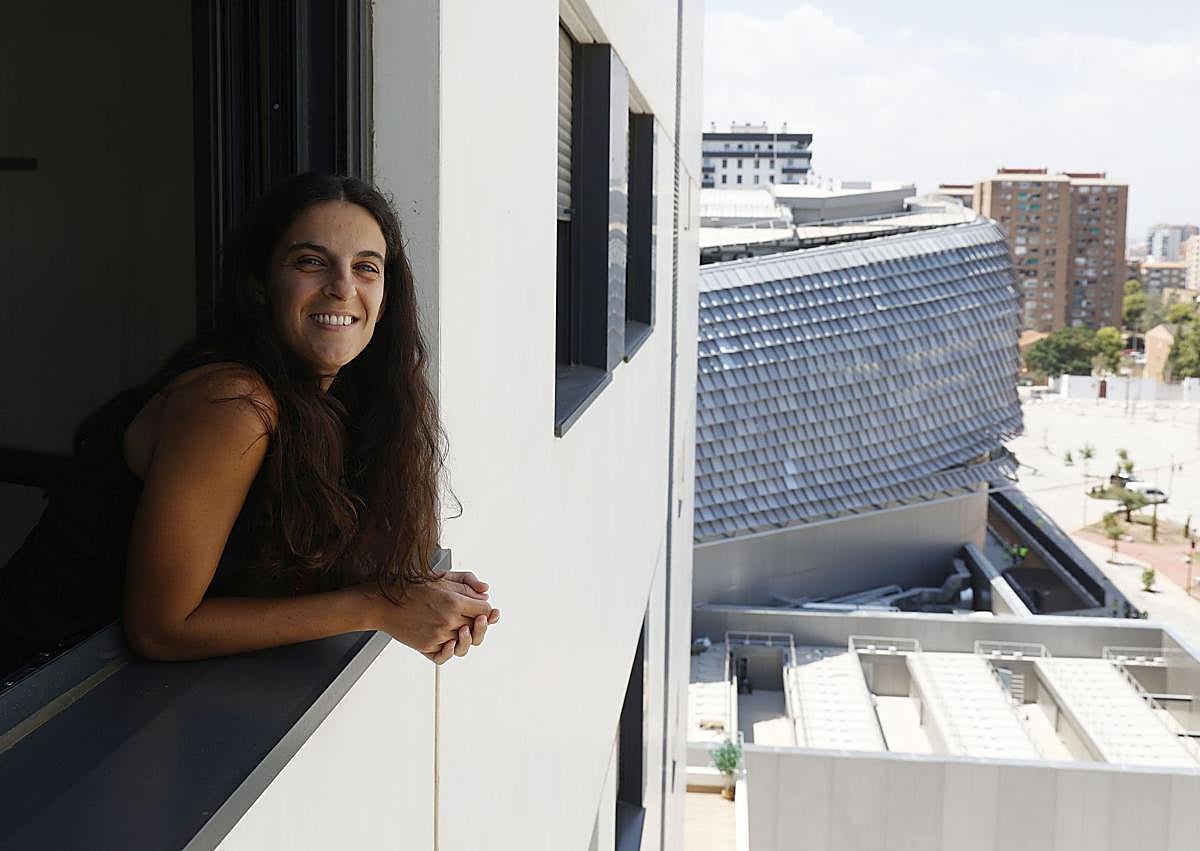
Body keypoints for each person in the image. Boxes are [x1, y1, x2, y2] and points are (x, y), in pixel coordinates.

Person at [0, 173, 498, 677]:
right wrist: (377, 606)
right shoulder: (235, 404)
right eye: (311, 262)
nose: (343, 286)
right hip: (30, 695)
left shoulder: (327, 400)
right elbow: (160, 627)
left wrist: (415, 593)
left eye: (366, 267)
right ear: (261, 282)